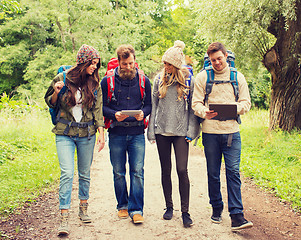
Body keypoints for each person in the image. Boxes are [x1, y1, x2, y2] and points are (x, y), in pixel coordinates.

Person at [192, 42, 253, 231]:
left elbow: (246, 103)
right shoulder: (202, 77)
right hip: (210, 133)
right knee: (213, 172)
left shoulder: (237, 77)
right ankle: (216, 208)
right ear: (209, 61)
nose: (217, 63)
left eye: (219, 59)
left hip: (232, 132)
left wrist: (233, 108)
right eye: (213, 60)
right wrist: (204, 112)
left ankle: (237, 215)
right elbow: (195, 103)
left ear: (226, 56)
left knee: (233, 172)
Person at [44, 44, 105, 236]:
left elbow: (98, 109)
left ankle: (83, 207)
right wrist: (56, 91)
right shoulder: (62, 78)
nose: (94, 67)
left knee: (84, 173)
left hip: (87, 133)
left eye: (96, 64)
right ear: (83, 62)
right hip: (65, 133)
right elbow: (50, 102)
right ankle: (63, 218)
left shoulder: (94, 82)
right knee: (67, 173)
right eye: (92, 63)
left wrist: (101, 134)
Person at [147, 40, 200, 228]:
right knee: (165, 169)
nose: (166, 66)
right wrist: (151, 130)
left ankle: (185, 211)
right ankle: (169, 207)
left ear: (177, 65)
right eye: (164, 63)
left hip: (180, 132)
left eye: (169, 64)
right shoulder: (158, 80)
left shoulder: (188, 81)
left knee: (182, 170)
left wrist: (192, 130)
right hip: (162, 130)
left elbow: (193, 109)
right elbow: (154, 106)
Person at [101, 44, 152, 224]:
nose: (129, 67)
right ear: (118, 63)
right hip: (116, 133)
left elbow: (149, 105)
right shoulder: (107, 82)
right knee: (118, 172)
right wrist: (113, 114)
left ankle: (136, 209)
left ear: (135, 61)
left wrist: (143, 113)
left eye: (131, 63)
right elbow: (101, 107)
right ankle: (122, 206)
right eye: (125, 64)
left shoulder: (144, 80)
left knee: (137, 172)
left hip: (137, 132)